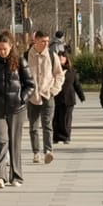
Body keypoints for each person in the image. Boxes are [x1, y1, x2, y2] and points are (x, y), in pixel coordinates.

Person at [0, 32, 34, 188]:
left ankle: (16, 175)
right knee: (1, 140)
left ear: (11, 46)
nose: (1, 51)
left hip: (17, 108)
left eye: (4, 48)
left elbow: (30, 84)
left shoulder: (20, 61)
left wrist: (22, 98)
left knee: (14, 143)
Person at [25, 30, 61, 165]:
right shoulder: (26, 56)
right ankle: (36, 152)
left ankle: (48, 151)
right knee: (33, 126)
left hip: (47, 95)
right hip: (32, 96)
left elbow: (59, 74)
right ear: (36, 41)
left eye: (47, 41)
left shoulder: (52, 55)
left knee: (47, 124)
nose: (46, 44)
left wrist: (54, 90)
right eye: (43, 41)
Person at [52, 52, 84, 144]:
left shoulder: (71, 71)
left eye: (63, 56)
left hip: (68, 98)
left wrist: (81, 96)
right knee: (56, 118)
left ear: (66, 58)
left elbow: (76, 84)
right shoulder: (54, 70)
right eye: (59, 56)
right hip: (56, 97)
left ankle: (66, 136)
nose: (61, 57)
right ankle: (56, 137)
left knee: (66, 118)